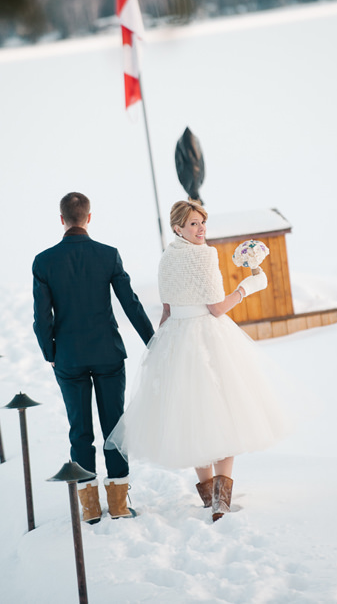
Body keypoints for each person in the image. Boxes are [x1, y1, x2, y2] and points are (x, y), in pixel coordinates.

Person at [107, 200, 290, 522]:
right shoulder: (204, 255)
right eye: (193, 223)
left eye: (202, 222)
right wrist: (248, 287)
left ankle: (209, 496)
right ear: (178, 227)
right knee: (224, 410)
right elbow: (216, 308)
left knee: (190, 414)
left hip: (176, 338)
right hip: (206, 338)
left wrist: (159, 350)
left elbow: (165, 311)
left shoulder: (166, 258)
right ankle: (220, 502)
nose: (201, 228)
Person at [33, 192, 155, 524]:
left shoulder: (44, 261)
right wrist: (153, 342)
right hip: (107, 355)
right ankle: (117, 504)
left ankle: (89, 508)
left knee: (80, 431)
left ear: (62, 219)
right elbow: (131, 303)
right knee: (114, 426)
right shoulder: (108, 255)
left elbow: (41, 318)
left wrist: (51, 354)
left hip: (69, 357)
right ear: (89, 218)